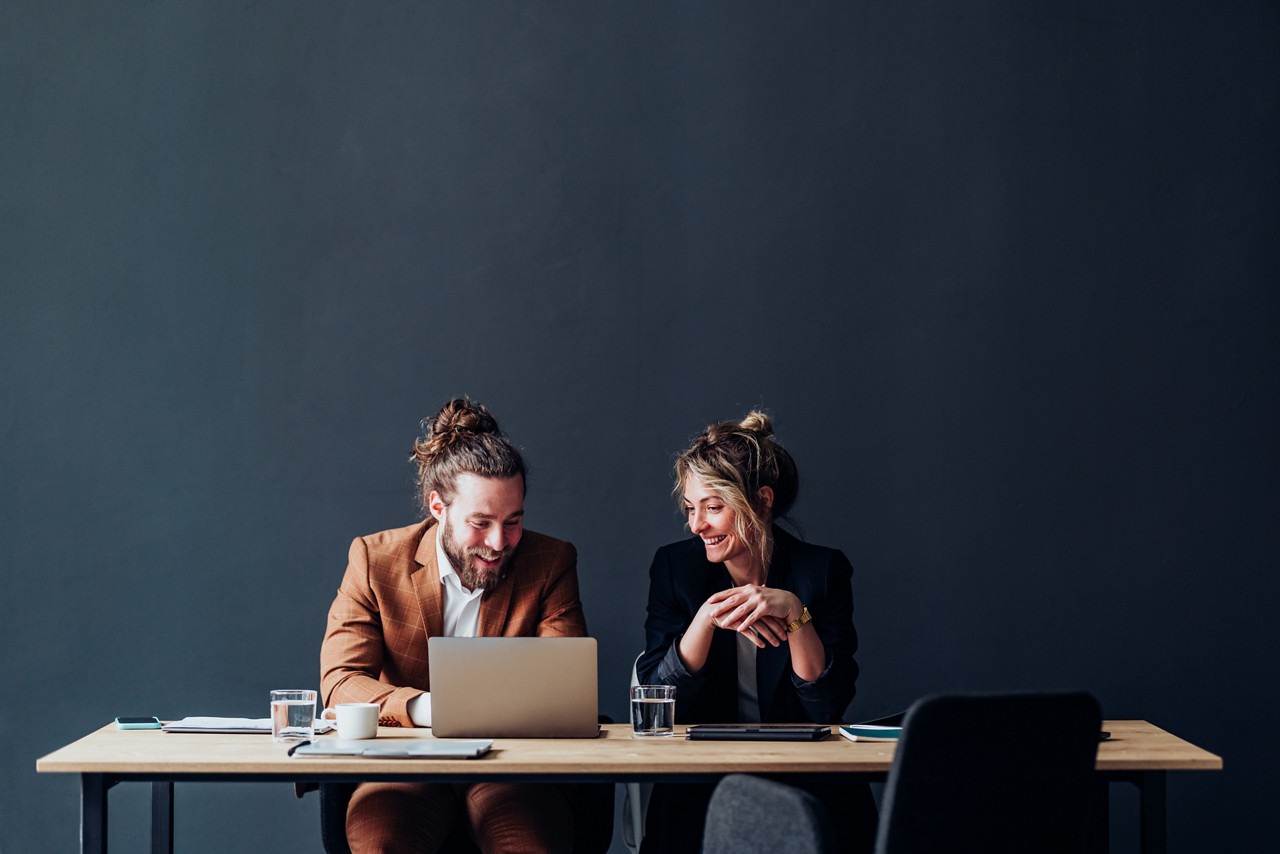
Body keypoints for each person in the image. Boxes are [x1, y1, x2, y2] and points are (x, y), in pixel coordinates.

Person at [320, 398, 587, 854]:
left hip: (510, 768)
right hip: (402, 766)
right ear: (438, 506)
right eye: (480, 523)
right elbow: (341, 683)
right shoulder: (374, 559)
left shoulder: (550, 561)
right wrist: (429, 709)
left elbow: (564, 689)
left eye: (514, 521)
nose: (499, 542)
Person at [636, 411, 878, 854]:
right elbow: (658, 699)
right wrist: (705, 620)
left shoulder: (820, 572)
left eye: (713, 507)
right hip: (703, 777)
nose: (696, 525)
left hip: (802, 772)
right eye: (691, 508)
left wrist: (795, 614)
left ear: (762, 501)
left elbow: (827, 707)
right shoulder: (676, 569)